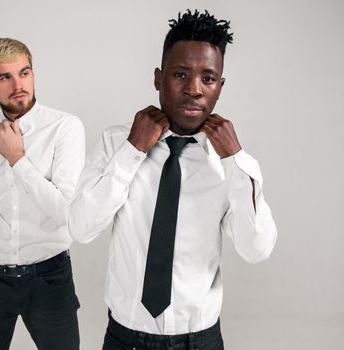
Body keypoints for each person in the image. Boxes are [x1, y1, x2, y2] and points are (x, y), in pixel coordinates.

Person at [68, 10, 277, 350]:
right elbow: (81, 227)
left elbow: (256, 248)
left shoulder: (231, 161)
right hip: (125, 338)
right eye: (180, 74)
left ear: (219, 88)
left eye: (208, 78)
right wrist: (133, 150)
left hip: (200, 340)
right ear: (158, 78)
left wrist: (236, 159)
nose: (194, 89)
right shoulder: (115, 143)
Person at [0, 37, 84, 350]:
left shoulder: (65, 128)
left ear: (33, 73)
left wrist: (17, 159)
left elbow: (68, 213)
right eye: (4, 77)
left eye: (24, 73)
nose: (18, 85)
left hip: (49, 277)